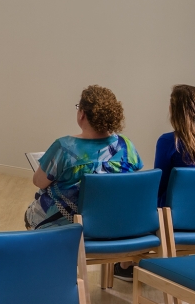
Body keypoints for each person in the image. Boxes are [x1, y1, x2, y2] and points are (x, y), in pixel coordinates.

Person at [24, 85, 143, 231]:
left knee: (31, 210)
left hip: (68, 224)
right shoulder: (126, 146)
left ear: (82, 114)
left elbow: (39, 182)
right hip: (114, 221)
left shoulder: (64, 147)